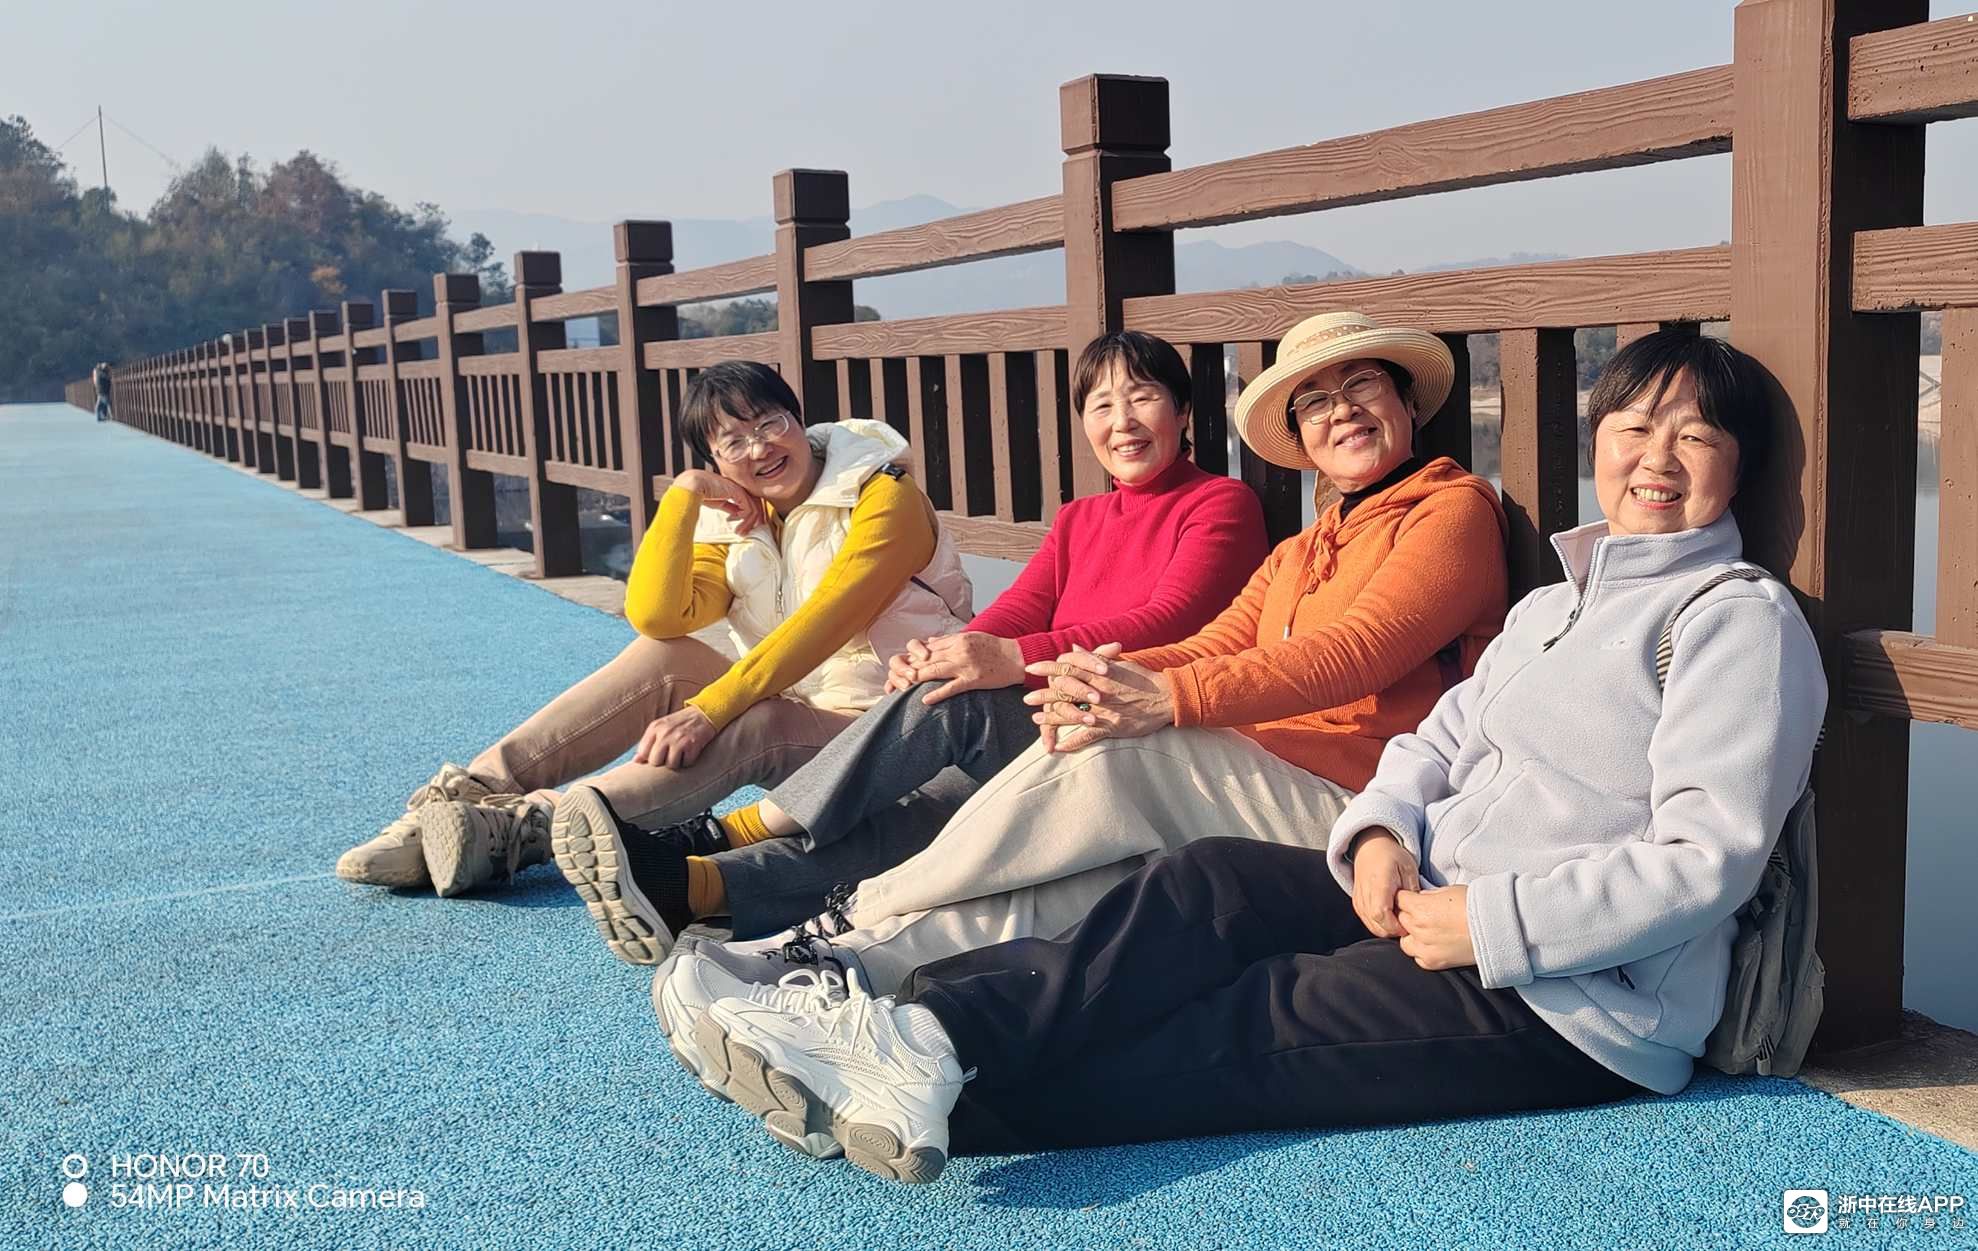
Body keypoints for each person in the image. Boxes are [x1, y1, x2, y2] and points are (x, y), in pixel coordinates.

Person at [689, 328, 1828, 1185]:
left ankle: (925, 1074)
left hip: (1572, 1001)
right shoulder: (1553, 605)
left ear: (1737, 467)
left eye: (1694, 436)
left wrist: (1495, 923)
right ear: (1598, 444)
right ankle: (922, 1030)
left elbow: (1710, 857)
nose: (1656, 458)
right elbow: (1438, 738)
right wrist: (1380, 833)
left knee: (1254, 1014)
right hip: (1418, 889)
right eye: (1634, 430)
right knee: (1206, 885)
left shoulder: (1733, 619)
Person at [657, 310, 1512, 1087]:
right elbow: (1216, 641)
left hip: (1364, 815)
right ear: (1298, 434)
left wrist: (1156, 697)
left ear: (1407, 401)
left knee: (1112, 750)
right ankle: (837, 966)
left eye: (1362, 385)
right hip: (1251, 781)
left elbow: (1354, 654)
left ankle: (842, 908)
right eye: (1315, 401)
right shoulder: (1303, 546)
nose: (1341, 411)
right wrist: (1090, 680)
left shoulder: (1451, 510)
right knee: (1072, 869)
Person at [554, 331, 1268, 968]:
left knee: (960, 705)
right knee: (928, 813)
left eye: (1142, 398)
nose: (1122, 422)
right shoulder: (1082, 516)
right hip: (1055, 718)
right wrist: (949, 649)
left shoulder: (1221, 503)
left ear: (1182, 410)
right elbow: (1021, 606)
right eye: (1101, 406)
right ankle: (698, 889)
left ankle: (720, 833)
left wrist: (1005, 661)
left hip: (1135, 727)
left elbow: (1170, 619)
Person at [333, 361, 972, 906]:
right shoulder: (739, 521)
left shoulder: (883, 496)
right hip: (801, 708)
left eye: (769, 424)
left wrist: (710, 710)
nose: (759, 449)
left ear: (799, 421)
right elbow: (658, 616)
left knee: (763, 719)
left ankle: (527, 829)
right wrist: (684, 497)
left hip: (891, 736)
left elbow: (826, 622)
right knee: (665, 657)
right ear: (714, 461)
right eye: (732, 443)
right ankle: (464, 799)